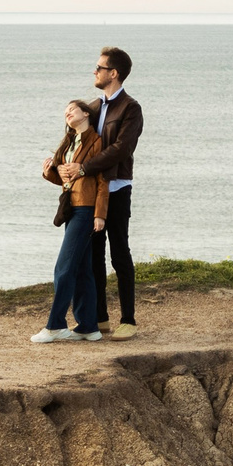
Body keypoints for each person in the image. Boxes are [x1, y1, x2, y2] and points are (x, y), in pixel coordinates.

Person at [57, 46, 139, 339]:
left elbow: (121, 150)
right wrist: (61, 165)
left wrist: (83, 168)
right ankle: (100, 318)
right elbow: (77, 138)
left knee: (119, 252)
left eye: (99, 68)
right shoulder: (94, 106)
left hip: (117, 187)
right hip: (90, 191)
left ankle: (128, 320)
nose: (95, 71)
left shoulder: (130, 108)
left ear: (113, 73)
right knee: (93, 255)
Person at [32, 100, 107, 343]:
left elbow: (103, 181)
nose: (67, 113)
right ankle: (88, 327)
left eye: (72, 109)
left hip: (86, 210)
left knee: (63, 268)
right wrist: (49, 172)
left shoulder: (96, 142)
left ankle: (55, 326)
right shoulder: (68, 142)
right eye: (65, 111)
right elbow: (66, 180)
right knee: (83, 270)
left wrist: (100, 214)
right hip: (70, 209)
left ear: (86, 113)